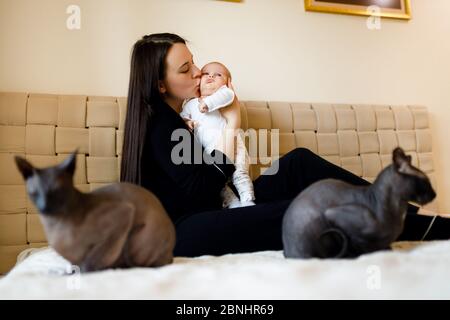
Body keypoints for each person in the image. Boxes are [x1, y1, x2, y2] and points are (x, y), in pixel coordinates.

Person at [120, 33, 449, 257]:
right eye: (186, 68)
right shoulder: (159, 124)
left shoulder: (183, 116)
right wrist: (233, 123)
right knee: (306, 207)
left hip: (219, 204)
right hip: (188, 229)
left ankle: (401, 210)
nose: (198, 72)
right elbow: (206, 186)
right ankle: (426, 227)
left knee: (298, 163)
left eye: (194, 62)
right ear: (161, 84)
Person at [180, 61, 255, 208]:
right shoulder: (191, 103)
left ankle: (248, 200)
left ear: (227, 83)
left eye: (218, 74)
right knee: (220, 183)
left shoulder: (225, 95)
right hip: (210, 152)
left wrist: (208, 103)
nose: (211, 76)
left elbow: (226, 95)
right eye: (206, 73)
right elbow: (182, 116)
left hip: (234, 146)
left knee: (239, 173)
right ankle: (233, 204)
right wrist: (186, 122)